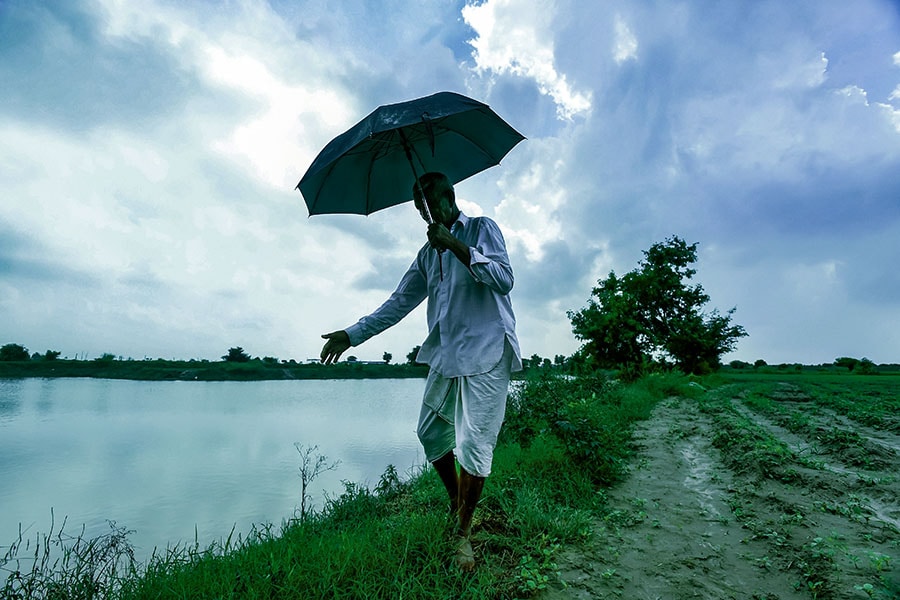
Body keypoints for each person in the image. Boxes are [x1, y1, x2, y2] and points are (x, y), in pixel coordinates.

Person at [320, 172, 522, 571]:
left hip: (486, 352)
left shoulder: (482, 229)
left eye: (429, 203)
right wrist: (353, 334)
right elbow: (398, 302)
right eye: (418, 208)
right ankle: (455, 499)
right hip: (447, 355)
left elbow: (504, 279)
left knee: (474, 445)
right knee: (431, 432)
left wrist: (457, 246)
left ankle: (463, 534)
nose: (425, 212)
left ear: (449, 196)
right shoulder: (427, 255)